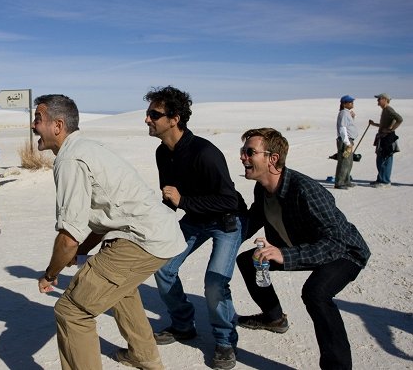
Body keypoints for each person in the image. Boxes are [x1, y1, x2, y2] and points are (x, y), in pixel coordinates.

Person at [33, 94, 187, 370]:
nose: (34, 126)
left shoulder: (70, 160)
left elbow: (68, 237)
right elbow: (102, 219)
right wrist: (83, 249)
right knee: (120, 289)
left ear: (57, 125)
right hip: (155, 233)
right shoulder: (86, 147)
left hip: (142, 238)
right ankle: (143, 356)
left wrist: (50, 274)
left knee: (72, 311)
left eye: (38, 119)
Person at [236, 127, 370, 370]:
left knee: (316, 293)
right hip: (305, 245)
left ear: (272, 158)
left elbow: (335, 241)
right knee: (249, 260)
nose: (243, 157)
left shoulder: (305, 189)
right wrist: (229, 239)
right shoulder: (262, 188)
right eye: (243, 151)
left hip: (345, 251)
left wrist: (283, 254)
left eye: (249, 152)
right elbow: (257, 216)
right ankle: (274, 317)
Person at [144, 86, 247, 370]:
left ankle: (225, 341)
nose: (148, 119)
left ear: (174, 118)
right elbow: (169, 197)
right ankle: (182, 324)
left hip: (227, 220)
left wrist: (184, 200)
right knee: (163, 267)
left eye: (155, 114)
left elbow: (228, 198)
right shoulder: (162, 153)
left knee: (214, 282)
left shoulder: (205, 152)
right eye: (148, 113)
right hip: (195, 219)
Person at [368, 93, 403, 187]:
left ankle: (385, 181)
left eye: (379, 99)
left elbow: (399, 119)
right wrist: (374, 124)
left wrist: (391, 130)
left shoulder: (388, 109)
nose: (377, 101)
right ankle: (380, 179)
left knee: (385, 159)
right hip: (383, 138)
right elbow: (384, 125)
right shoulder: (385, 110)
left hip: (387, 139)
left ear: (384, 99)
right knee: (380, 159)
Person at [334, 95, 358, 189]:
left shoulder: (347, 113)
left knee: (349, 162)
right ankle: (339, 183)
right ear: (344, 103)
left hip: (349, 140)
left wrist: (352, 117)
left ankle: (346, 181)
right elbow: (342, 128)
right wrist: (347, 143)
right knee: (344, 162)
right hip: (345, 141)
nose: (352, 103)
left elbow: (349, 125)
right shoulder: (343, 113)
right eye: (350, 102)